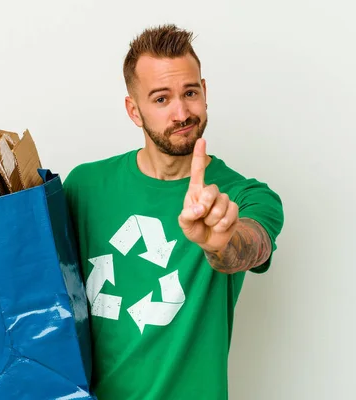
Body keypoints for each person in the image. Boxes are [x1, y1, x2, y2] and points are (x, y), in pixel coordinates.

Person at [63, 24, 284, 400]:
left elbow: (252, 245)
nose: (182, 112)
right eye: (161, 99)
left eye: (190, 92)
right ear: (135, 110)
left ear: (205, 93)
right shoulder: (84, 187)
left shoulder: (243, 196)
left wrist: (222, 242)